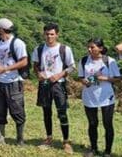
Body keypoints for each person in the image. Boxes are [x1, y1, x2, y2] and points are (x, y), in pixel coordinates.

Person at [32, 23, 75, 153]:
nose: (49, 36)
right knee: (46, 112)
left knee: (62, 112)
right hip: (44, 84)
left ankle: (66, 141)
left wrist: (59, 75)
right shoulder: (39, 49)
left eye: (52, 34)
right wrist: (38, 73)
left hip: (59, 84)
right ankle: (49, 138)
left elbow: (72, 67)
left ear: (57, 34)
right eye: (47, 34)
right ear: (43, 34)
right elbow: (35, 65)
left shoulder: (64, 49)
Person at [78, 38, 122, 157]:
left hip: (106, 97)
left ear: (101, 48)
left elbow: (118, 78)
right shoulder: (83, 61)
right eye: (88, 47)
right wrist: (87, 80)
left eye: (92, 47)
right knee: (92, 123)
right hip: (89, 96)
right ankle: (93, 148)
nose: (89, 49)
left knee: (107, 124)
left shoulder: (109, 61)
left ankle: (107, 151)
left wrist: (105, 78)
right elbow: (81, 77)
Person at [0, 18, 28, 146]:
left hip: (13, 81)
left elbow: (24, 61)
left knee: (17, 110)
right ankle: (0, 139)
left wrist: (5, 69)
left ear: (1, 29)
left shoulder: (17, 43)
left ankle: (20, 139)